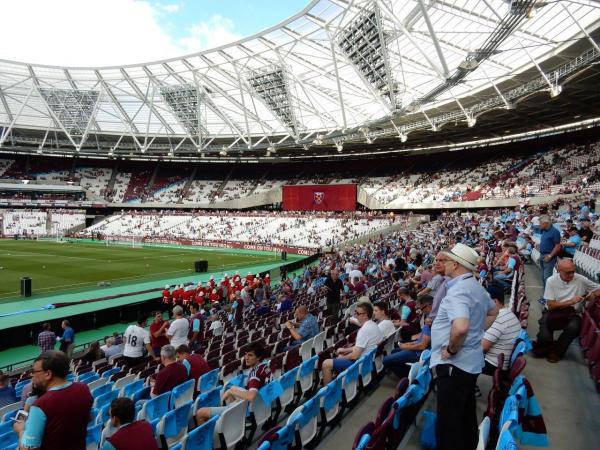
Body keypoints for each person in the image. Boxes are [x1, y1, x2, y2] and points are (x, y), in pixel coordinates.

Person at [430, 244, 498, 450]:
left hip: (454, 366)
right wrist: (475, 333)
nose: (442, 263)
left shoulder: (458, 291)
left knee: (449, 427)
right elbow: (493, 312)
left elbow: (460, 328)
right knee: (465, 417)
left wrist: (452, 349)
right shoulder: (477, 287)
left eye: (446, 260)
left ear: (455, 264)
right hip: (470, 363)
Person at [13, 351, 93, 450]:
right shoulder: (84, 388)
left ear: (48, 374)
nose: (32, 375)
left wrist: (20, 430)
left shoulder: (40, 405)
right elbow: (89, 418)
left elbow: (28, 449)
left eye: (34, 371)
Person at [534, 259, 600, 362]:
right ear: (559, 270)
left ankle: (557, 352)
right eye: (568, 272)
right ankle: (548, 345)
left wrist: (591, 295)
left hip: (573, 313)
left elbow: (598, 290)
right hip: (553, 311)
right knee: (544, 337)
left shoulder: (581, 279)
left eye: (573, 271)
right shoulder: (551, 281)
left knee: (574, 328)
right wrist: (570, 302)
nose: (571, 275)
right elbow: (551, 305)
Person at [195, 341, 271, 425]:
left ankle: (222, 423)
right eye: (246, 354)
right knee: (231, 388)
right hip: (263, 406)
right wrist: (231, 391)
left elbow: (251, 396)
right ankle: (225, 411)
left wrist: (231, 392)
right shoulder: (265, 366)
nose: (246, 358)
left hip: (249, 412)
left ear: (258, 357)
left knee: (200, 413)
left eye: (250, 355)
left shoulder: (254, 375)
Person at [322, 301, 383, 385]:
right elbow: (361, 347)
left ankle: (327, 394)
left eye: (357, 313)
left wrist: (341, 358)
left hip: (360, 364)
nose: (355, 315)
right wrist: (345, 349)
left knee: (326, 363)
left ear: (365, 315)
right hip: (368, 360)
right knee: (341, 354)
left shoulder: (364, 330)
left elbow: (355, 356)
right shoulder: (373, 325)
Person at [481, 286, 521, 374]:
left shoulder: (498, 319)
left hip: (495, 365)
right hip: (501, 361)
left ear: (495, 302)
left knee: (459, 357)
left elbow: (483, 348)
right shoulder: (507, 313)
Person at [538, 215, 562, 289]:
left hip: (549, 256)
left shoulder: (555, 232)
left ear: (546, 223)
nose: (539, 224)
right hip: (542, 255)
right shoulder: (544, 231)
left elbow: (558, 246)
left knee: (547, 278)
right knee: (542, 277)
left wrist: (550, 256)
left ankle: (548, 297)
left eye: (540, 223)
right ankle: (545, 295)